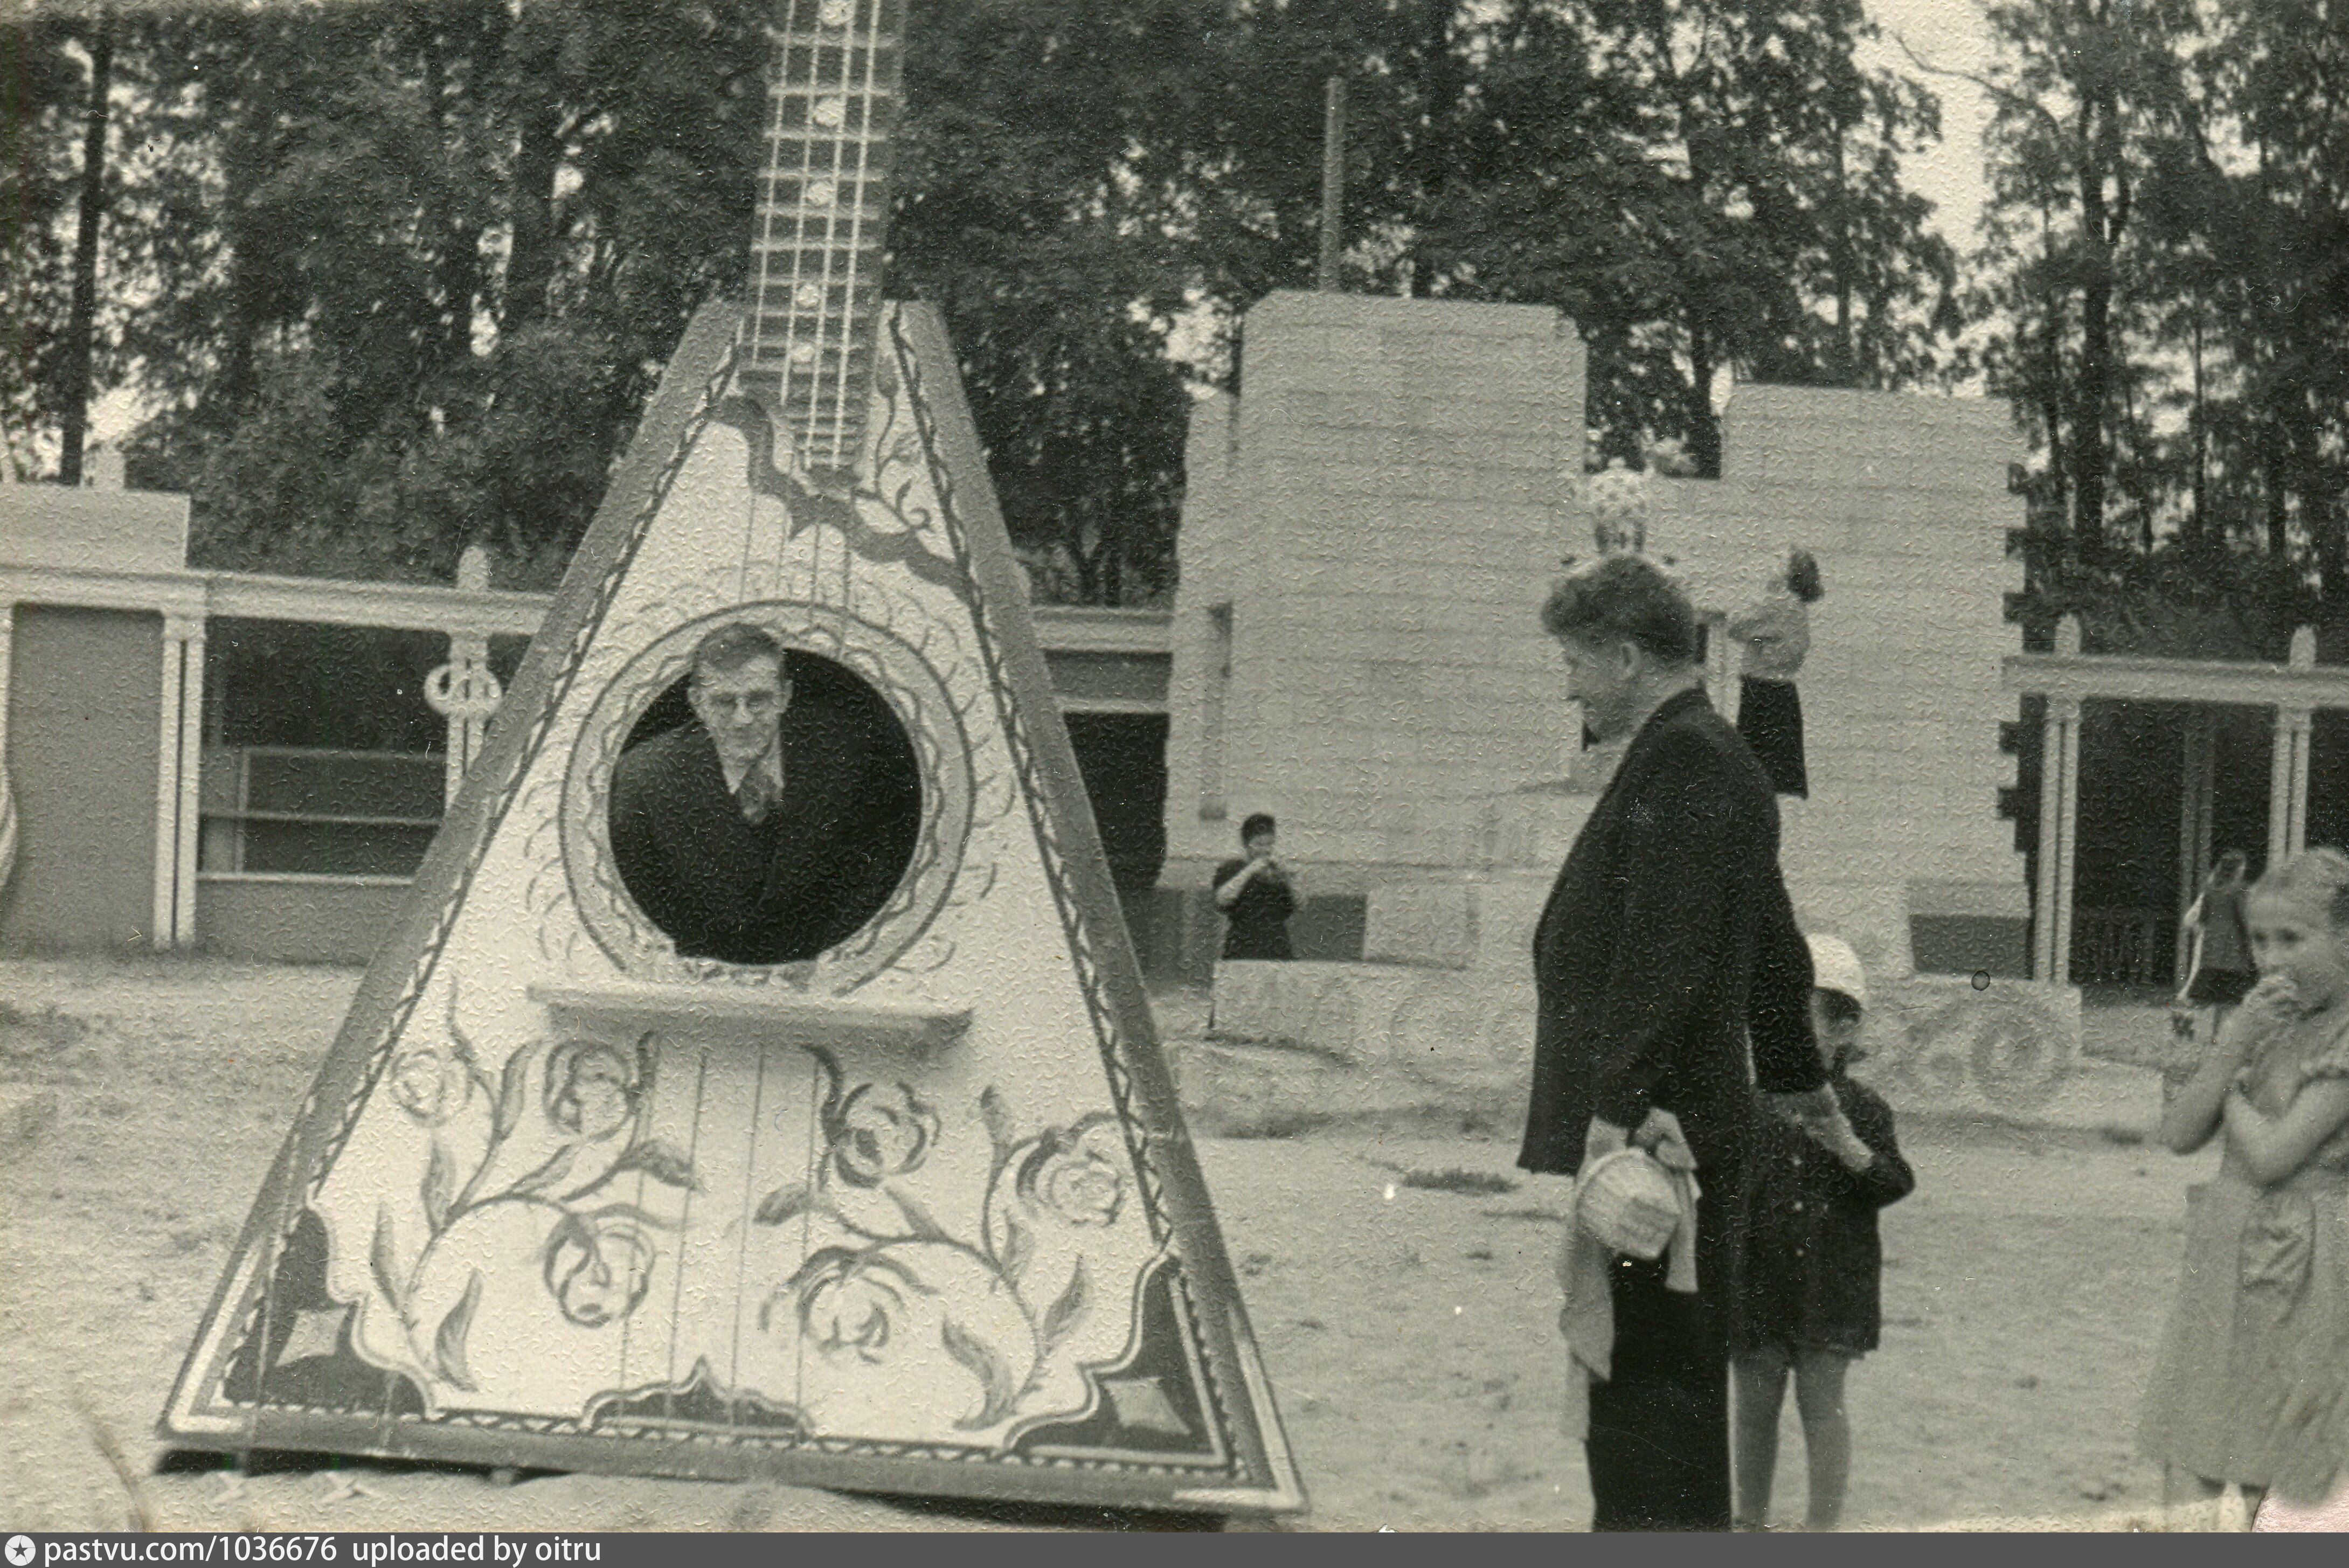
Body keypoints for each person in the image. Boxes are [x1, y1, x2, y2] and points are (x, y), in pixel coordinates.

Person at [1519, 553, 1856, 1531]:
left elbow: (1661, 950)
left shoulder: (1689, 758)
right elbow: (1772, 937)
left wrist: (1612, 1111)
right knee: (1654, 1386)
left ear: (1626, 657)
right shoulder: (1698, 753)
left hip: (1657, 1139)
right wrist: (1799, 1081)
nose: (1568, 687)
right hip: (1671, 1125)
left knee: (1646, 1395)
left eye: (1574, 662)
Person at [2139, 847, 2349, 1527]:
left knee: (2274, 1455)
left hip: (2305, 1261)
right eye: (2259, 941)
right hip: (2229, 1246)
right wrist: (2233, 1046)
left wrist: (2230, 1091)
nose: (2270, 959)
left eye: (2292, 939)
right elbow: (2178, 1132)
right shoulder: (2267, 1023)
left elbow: (2273, 1156)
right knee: (2194, 1438)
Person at [1731, 933, 1915, 1532]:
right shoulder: (1748, 1104)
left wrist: (1847, 1146)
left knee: (1822, 1407)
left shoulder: (1865, 1109)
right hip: (1757, 1279)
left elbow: (1894, 1183)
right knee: (1753, 1408)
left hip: (1830, 1286)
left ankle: (1821, 1530)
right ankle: (1749, 1521)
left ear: (1843, 1030)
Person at [609, 622, 920, 966]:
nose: (742, 719)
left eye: (758, 699)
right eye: (724, 702)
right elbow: (640, 897)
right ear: (697, 703)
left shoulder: (847, 755)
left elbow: (874, 877)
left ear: (785, 696)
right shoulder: (644, 776)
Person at [1726, 548, 1823, 799]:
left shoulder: (1780, 602)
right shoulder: (1797, 606)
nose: (1771, 565)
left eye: (1779, 561)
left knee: (1754, 774)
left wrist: (1758, 641)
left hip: (1762, 694)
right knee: (1779, 777)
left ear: (1789, 573)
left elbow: (1734, 624)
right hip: (1782, 695)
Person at [2178, 850, 2257, 1026]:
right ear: (2237, 869)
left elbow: (2203, 917)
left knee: (2207, 994)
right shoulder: (2238, 890)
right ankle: (2219, 1033)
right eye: (2242, 867)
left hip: (2211, 947)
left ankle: (2186, 1019)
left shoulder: (2210, 889)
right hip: (2232, 949)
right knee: (2229, 1000)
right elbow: (2243, 919)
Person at [1212, 813, 1301, 961]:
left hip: (1277, 945)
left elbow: (1301, 903)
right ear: (1247, 845)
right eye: (1259, 844)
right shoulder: (1233, 868)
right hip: (1241, 945)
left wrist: (1287, 876)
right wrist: (1250, 870)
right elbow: (1222, 899)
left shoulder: (1279, 873)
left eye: (1270, 844)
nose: (1266, 850)